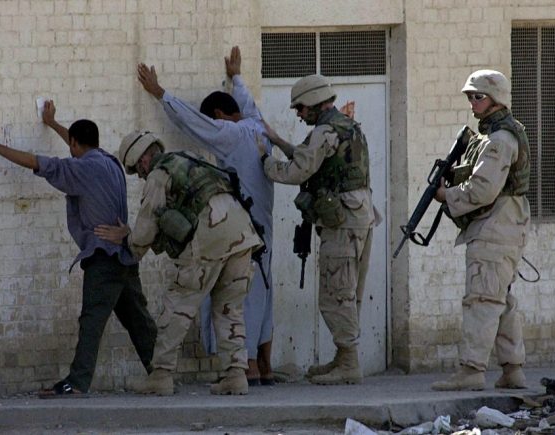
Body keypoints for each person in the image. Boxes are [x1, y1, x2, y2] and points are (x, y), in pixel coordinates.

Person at [0, 105, 157, 398]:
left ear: (74, 143)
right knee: (139, 321)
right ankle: (162, 372)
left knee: (92, 320)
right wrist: (53, 123)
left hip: (103, 258)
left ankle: (78, 382)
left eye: (71, 142)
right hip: (125, 255)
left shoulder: (81, 169)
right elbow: (78, 147)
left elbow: (37, 162)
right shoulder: (109, 162)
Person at [136, 46, 276, 385]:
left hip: (238, 226)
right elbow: (248, 104)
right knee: (262, 290)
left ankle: (248, 366)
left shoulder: (231, 134)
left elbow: (194, 123)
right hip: (260, 227)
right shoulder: (257, 127)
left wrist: (160, 93)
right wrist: (237, 77)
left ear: (218, 115)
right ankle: (262, 366)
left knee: (238, 298)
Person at [94, 131, 262, 395]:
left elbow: (145, 230)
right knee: (229, 308)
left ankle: (161, 375)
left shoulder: (159, 176)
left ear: (142, 160)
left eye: (137, 170)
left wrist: (127, 240)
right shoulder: (189, 158)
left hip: (209, 239)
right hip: (243, 234)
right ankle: (236, 375)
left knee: (177, 307)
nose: (140, 176)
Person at [258, 74, 376, 385]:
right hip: (357, 216)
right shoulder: (345, 126)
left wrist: (265, 162)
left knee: (336, 295)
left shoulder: (325, 132)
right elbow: (307, 156)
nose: (299, 114)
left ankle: (349, 363)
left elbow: (298, 171)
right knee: (346, 292)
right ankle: (343, 356)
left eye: (300, 107)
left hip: (343, 222)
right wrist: (277, 140)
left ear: (313, 102)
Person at [431, 69, 530, 391]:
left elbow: (484, 190)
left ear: (496, 100)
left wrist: (447, 196)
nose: (472, 103)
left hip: (495, 227)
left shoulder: (499, 140)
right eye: (470, 97)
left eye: (478, 97)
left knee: (482, 300)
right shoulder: (496, 135)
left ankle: (472, 371)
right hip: (502, 225)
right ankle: (512, 370)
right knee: (501, 300)